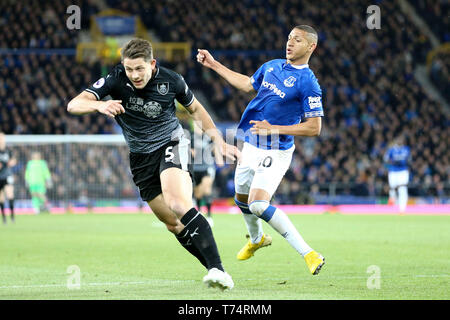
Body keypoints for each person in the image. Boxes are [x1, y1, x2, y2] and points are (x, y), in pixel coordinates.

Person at [67, 38, 240, 290]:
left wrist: (218, 141)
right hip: (140, 157)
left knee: (179, 204)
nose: (134, 75)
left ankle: (218, 269)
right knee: (172, 223)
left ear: (152, 63)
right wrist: (100, 104)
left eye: (140, 68)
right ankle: (215, 270)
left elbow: (196, 110)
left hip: (171, 142)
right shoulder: (115, 79)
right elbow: (74, 104)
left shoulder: (172, 80)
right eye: (129, 69)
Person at [197, 25, 325, 275]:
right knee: (241, 198)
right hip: (251, 143)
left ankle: (309, 253)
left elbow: (314, 128)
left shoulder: (308, 83)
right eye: (288, 38)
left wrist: (274, 128)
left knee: (257, 204)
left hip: (276, 150)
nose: (289, 43)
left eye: (297, 40)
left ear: (311, 47)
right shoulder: (272, 66)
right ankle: (256, 240)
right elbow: (247, 84)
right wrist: (214, 65)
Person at [191, 120, 218, 227]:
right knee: (198, 193)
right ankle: (200, 213)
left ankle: (209, 216)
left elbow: (215, 150)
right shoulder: (191, 138)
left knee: (207, 190)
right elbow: (192, 152)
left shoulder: (208, 137)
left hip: (208, 167)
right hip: (196, 168)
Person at [383, 135, 411, 214]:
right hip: (393, 172)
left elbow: (409, 160)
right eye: (398, 139)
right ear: (395, 140)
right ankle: (393, 206)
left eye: (401, 139)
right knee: (392, 189)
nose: (400, 141)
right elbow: (385, 160)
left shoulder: (406, 149)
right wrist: (392, 163)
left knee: (403, 189)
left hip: (403, 171)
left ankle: (402, 210)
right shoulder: (391, 150)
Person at [0, 132, 17, 224]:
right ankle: (4, 218)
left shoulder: (8, 150)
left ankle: (12, 216)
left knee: (10, 194)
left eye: (2, 138)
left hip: (7, 175)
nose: (1, 140)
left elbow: (14, 159)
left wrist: (12, 162)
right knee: (1, 197)